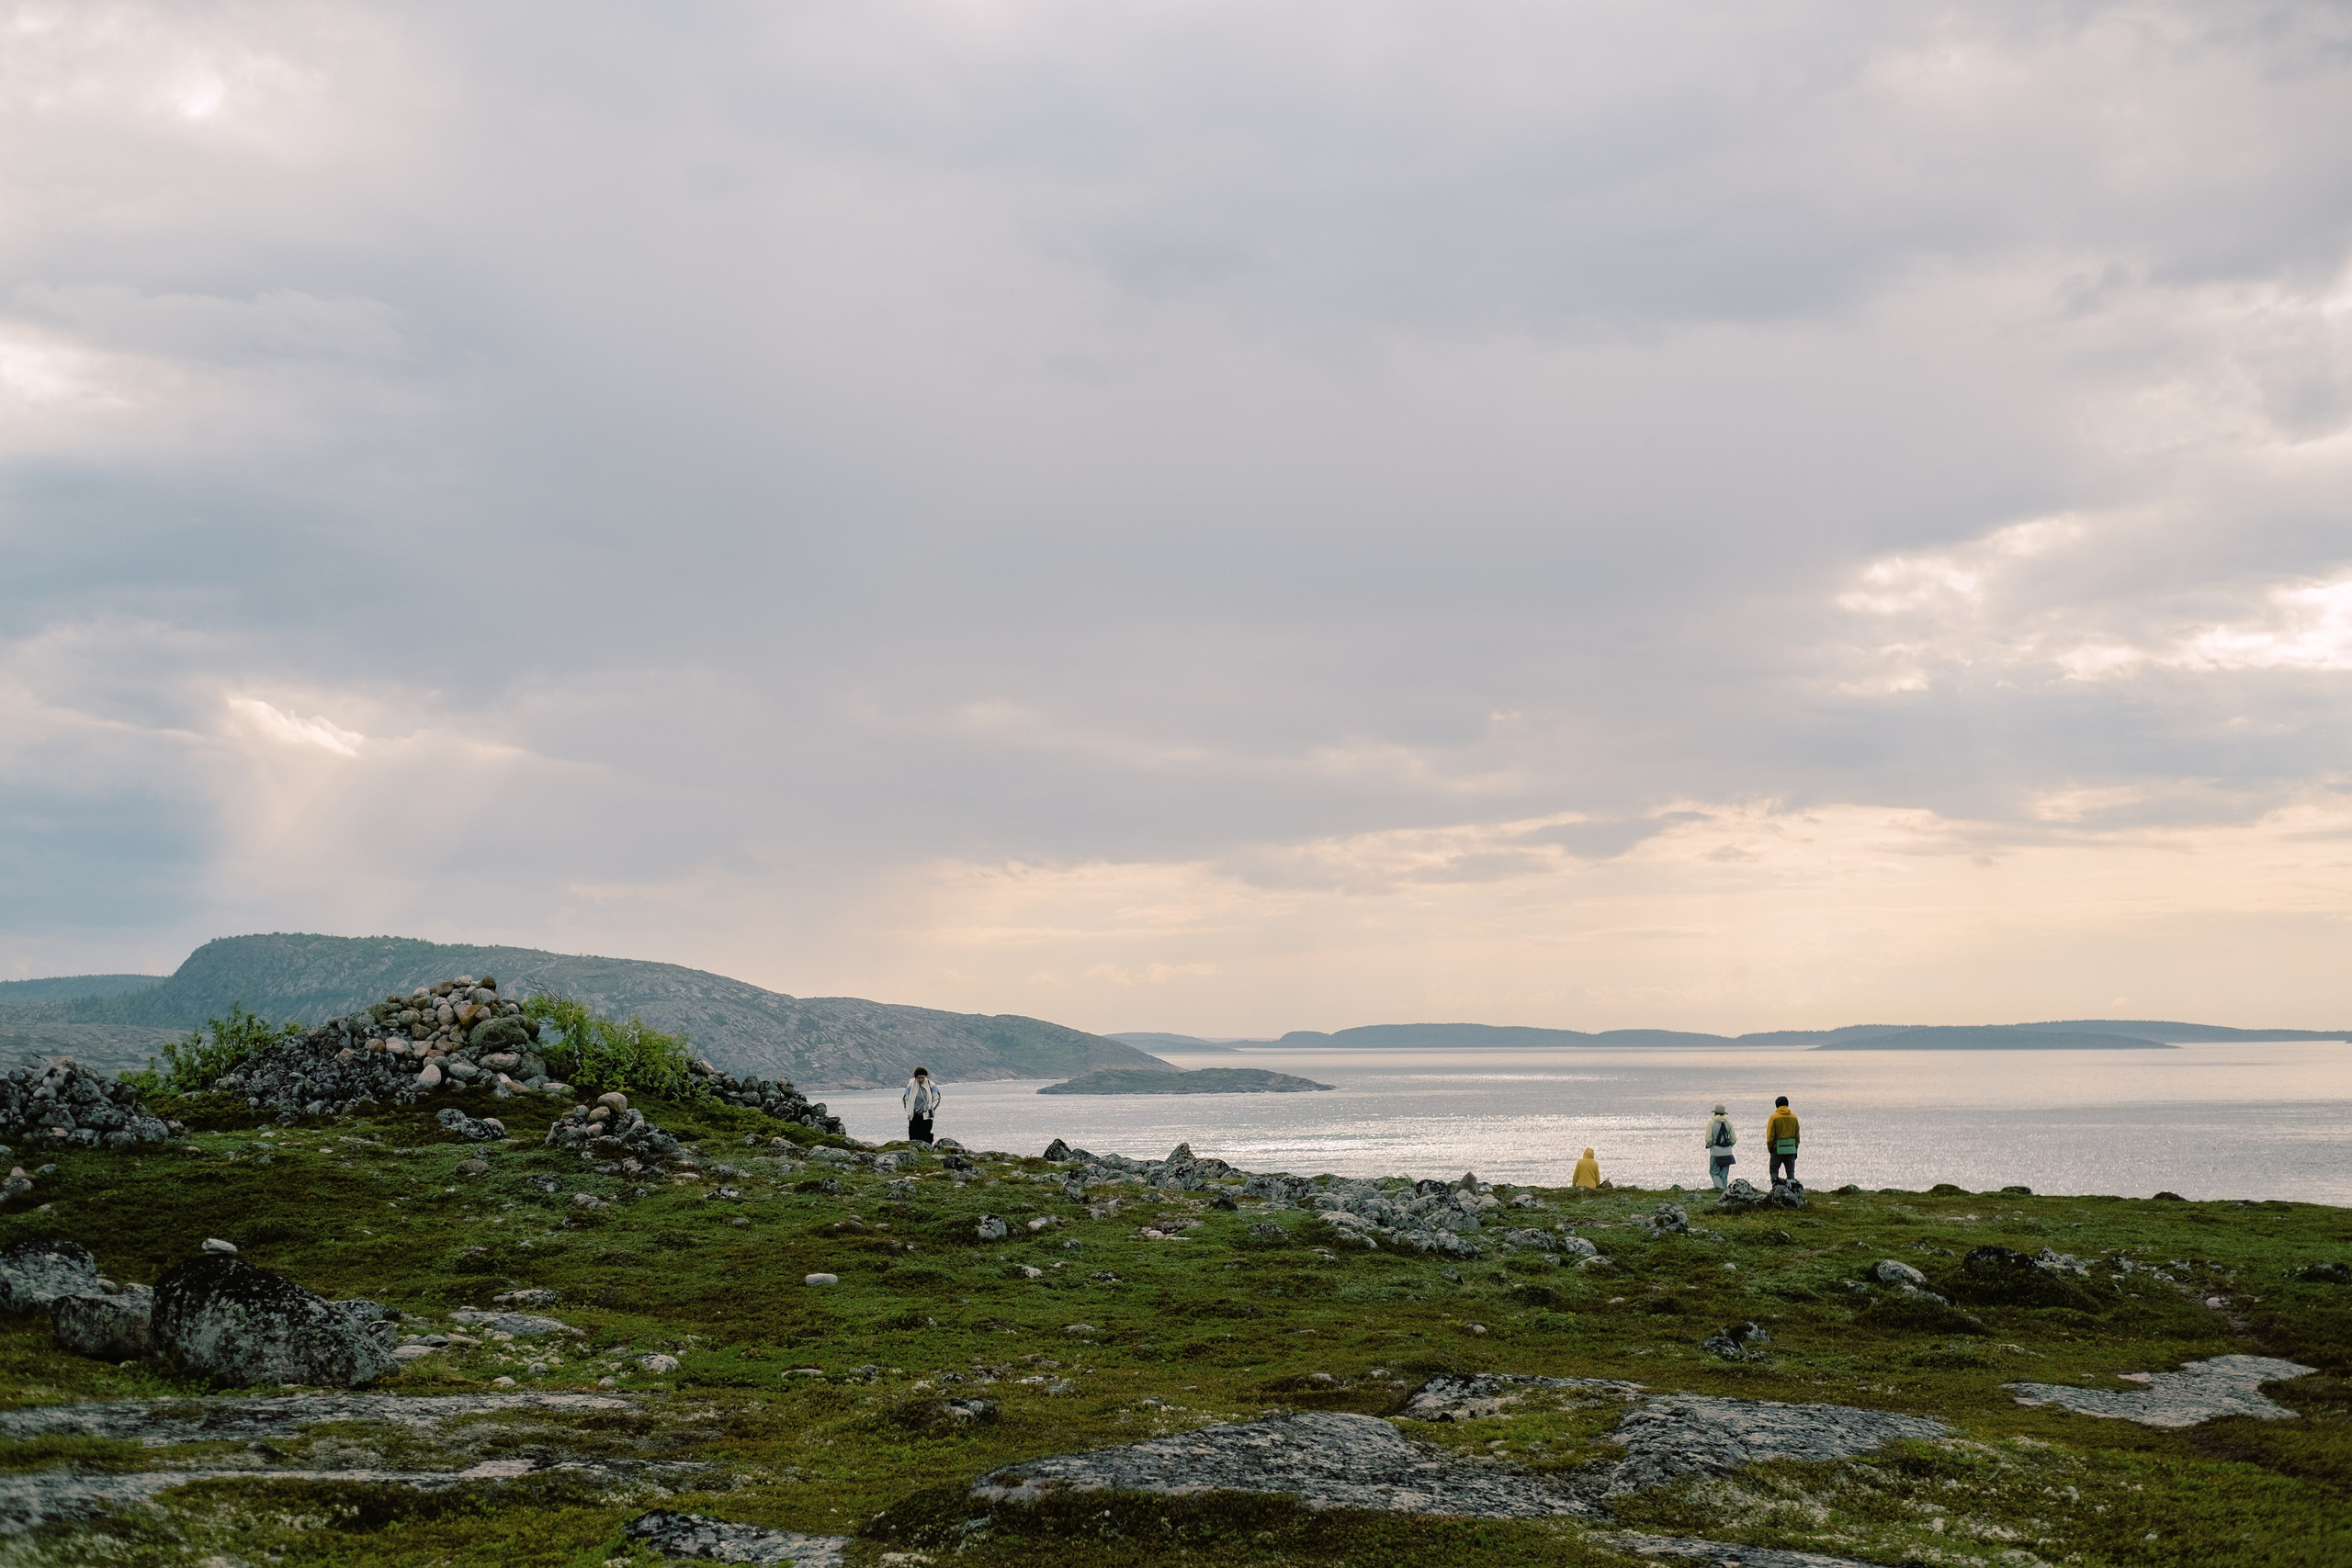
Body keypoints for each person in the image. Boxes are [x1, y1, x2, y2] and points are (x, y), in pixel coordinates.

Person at [1765, 1095, 1800, 1187]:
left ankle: (1775, 1189)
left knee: (1774, 1170)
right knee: (1790, 1172)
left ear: (1776, 1105)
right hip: (1791, 1148)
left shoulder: (1774, 1117)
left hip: (1777, 1148)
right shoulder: (1794, 1117)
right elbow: (1797, 1136)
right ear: (1787, 1105)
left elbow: (1770, 1135)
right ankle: (1792, 1191)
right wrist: (1795, 1148)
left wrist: (1770, 1148)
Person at [902, 1066, 941, 1145]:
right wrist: (908, 1109)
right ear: (915, 1077)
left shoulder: (931, 1085)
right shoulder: (911, 1085)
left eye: (923, 1078)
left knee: (925, 1133)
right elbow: (905, 1098)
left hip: (926, 1114)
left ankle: (928, 1149)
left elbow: (937, 1098)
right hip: (914, 1114)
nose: (921, 1080)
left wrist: (931, 1109)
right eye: (919, 1078)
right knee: (913, 1134)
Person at [1705, 1104, 1736, 1191]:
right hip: (1727, 1152)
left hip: (1715, 1152)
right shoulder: (1729, 1123)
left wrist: (1711, 1145)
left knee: (1714, 1172)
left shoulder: (1711, 1123)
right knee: (1724, 1173)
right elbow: (1734, 1139)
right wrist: (1728, 1146)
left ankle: (1720, 1189)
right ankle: (1724, 1192)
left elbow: (1708, 1139)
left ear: (1715, 1113)